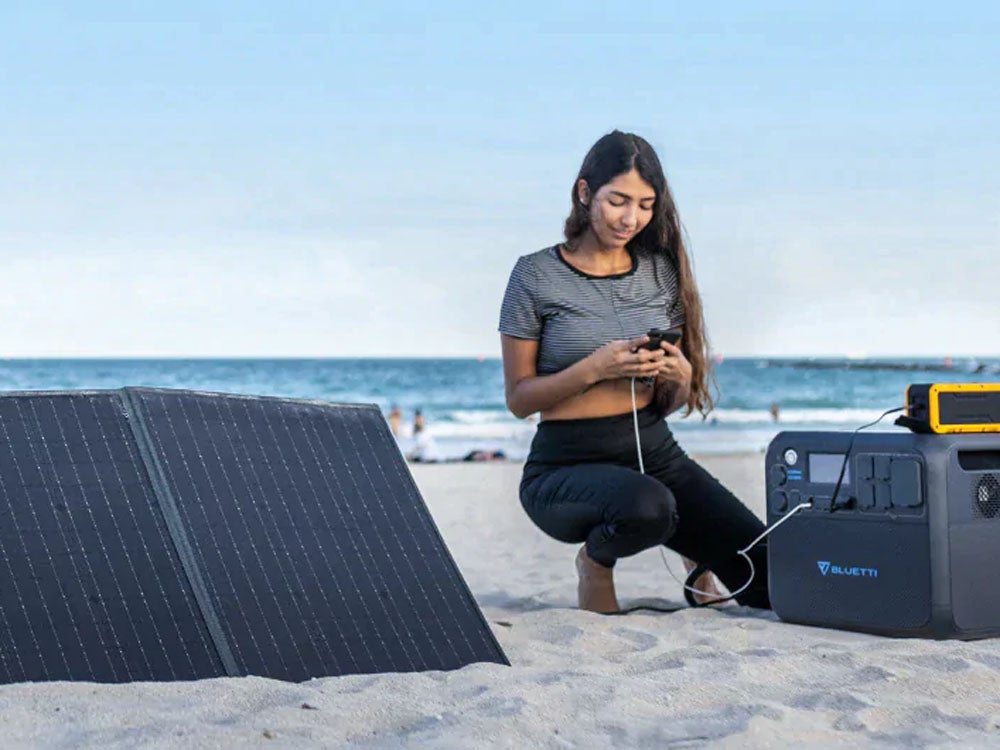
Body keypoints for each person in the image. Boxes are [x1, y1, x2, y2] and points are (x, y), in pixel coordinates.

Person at [498, 130, 769, 614]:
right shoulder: (535, 274)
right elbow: (519, 400)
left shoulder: (660, 272)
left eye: (645, 205)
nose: (631, 218)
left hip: (655, 452)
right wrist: (595, 368)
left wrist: (681, 376)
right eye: (617, 201)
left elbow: (675, 400)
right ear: (585, 193)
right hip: (565, 467)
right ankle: (595, 562)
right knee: (649, 508)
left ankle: (695, 552)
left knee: (765, 575)